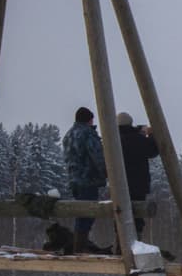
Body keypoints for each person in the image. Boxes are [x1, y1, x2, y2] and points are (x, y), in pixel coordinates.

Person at [62, 106, 108, 254]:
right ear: (89, 120)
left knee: (81, 213)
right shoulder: (88, 134)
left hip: (74, 179)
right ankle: (80, 247)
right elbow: (97, 156)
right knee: (88, 213)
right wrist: (107, 172)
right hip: (88, 179)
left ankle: (79, 245)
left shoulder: (69, 135)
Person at [117, 112, 160, 241]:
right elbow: (153, 150)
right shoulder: (138, 139)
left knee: (119, 215)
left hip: (118, 184)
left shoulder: (113, 139)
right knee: (137, 215)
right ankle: (136, 243)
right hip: (138, 184)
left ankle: (120, 243)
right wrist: (150, 135)